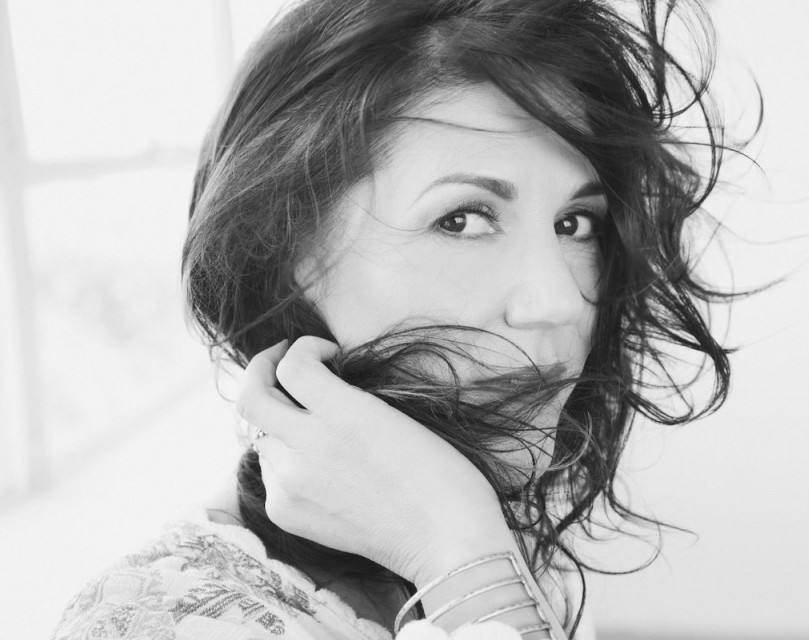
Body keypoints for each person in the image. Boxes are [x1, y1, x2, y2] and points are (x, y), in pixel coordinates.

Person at [53, 0, 750, 638]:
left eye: (574, 223)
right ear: (284, 251)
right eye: (464, 219)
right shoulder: (160, 621)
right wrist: (461, 555)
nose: (561, 301)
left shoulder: (504, 541)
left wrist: (461, 551)